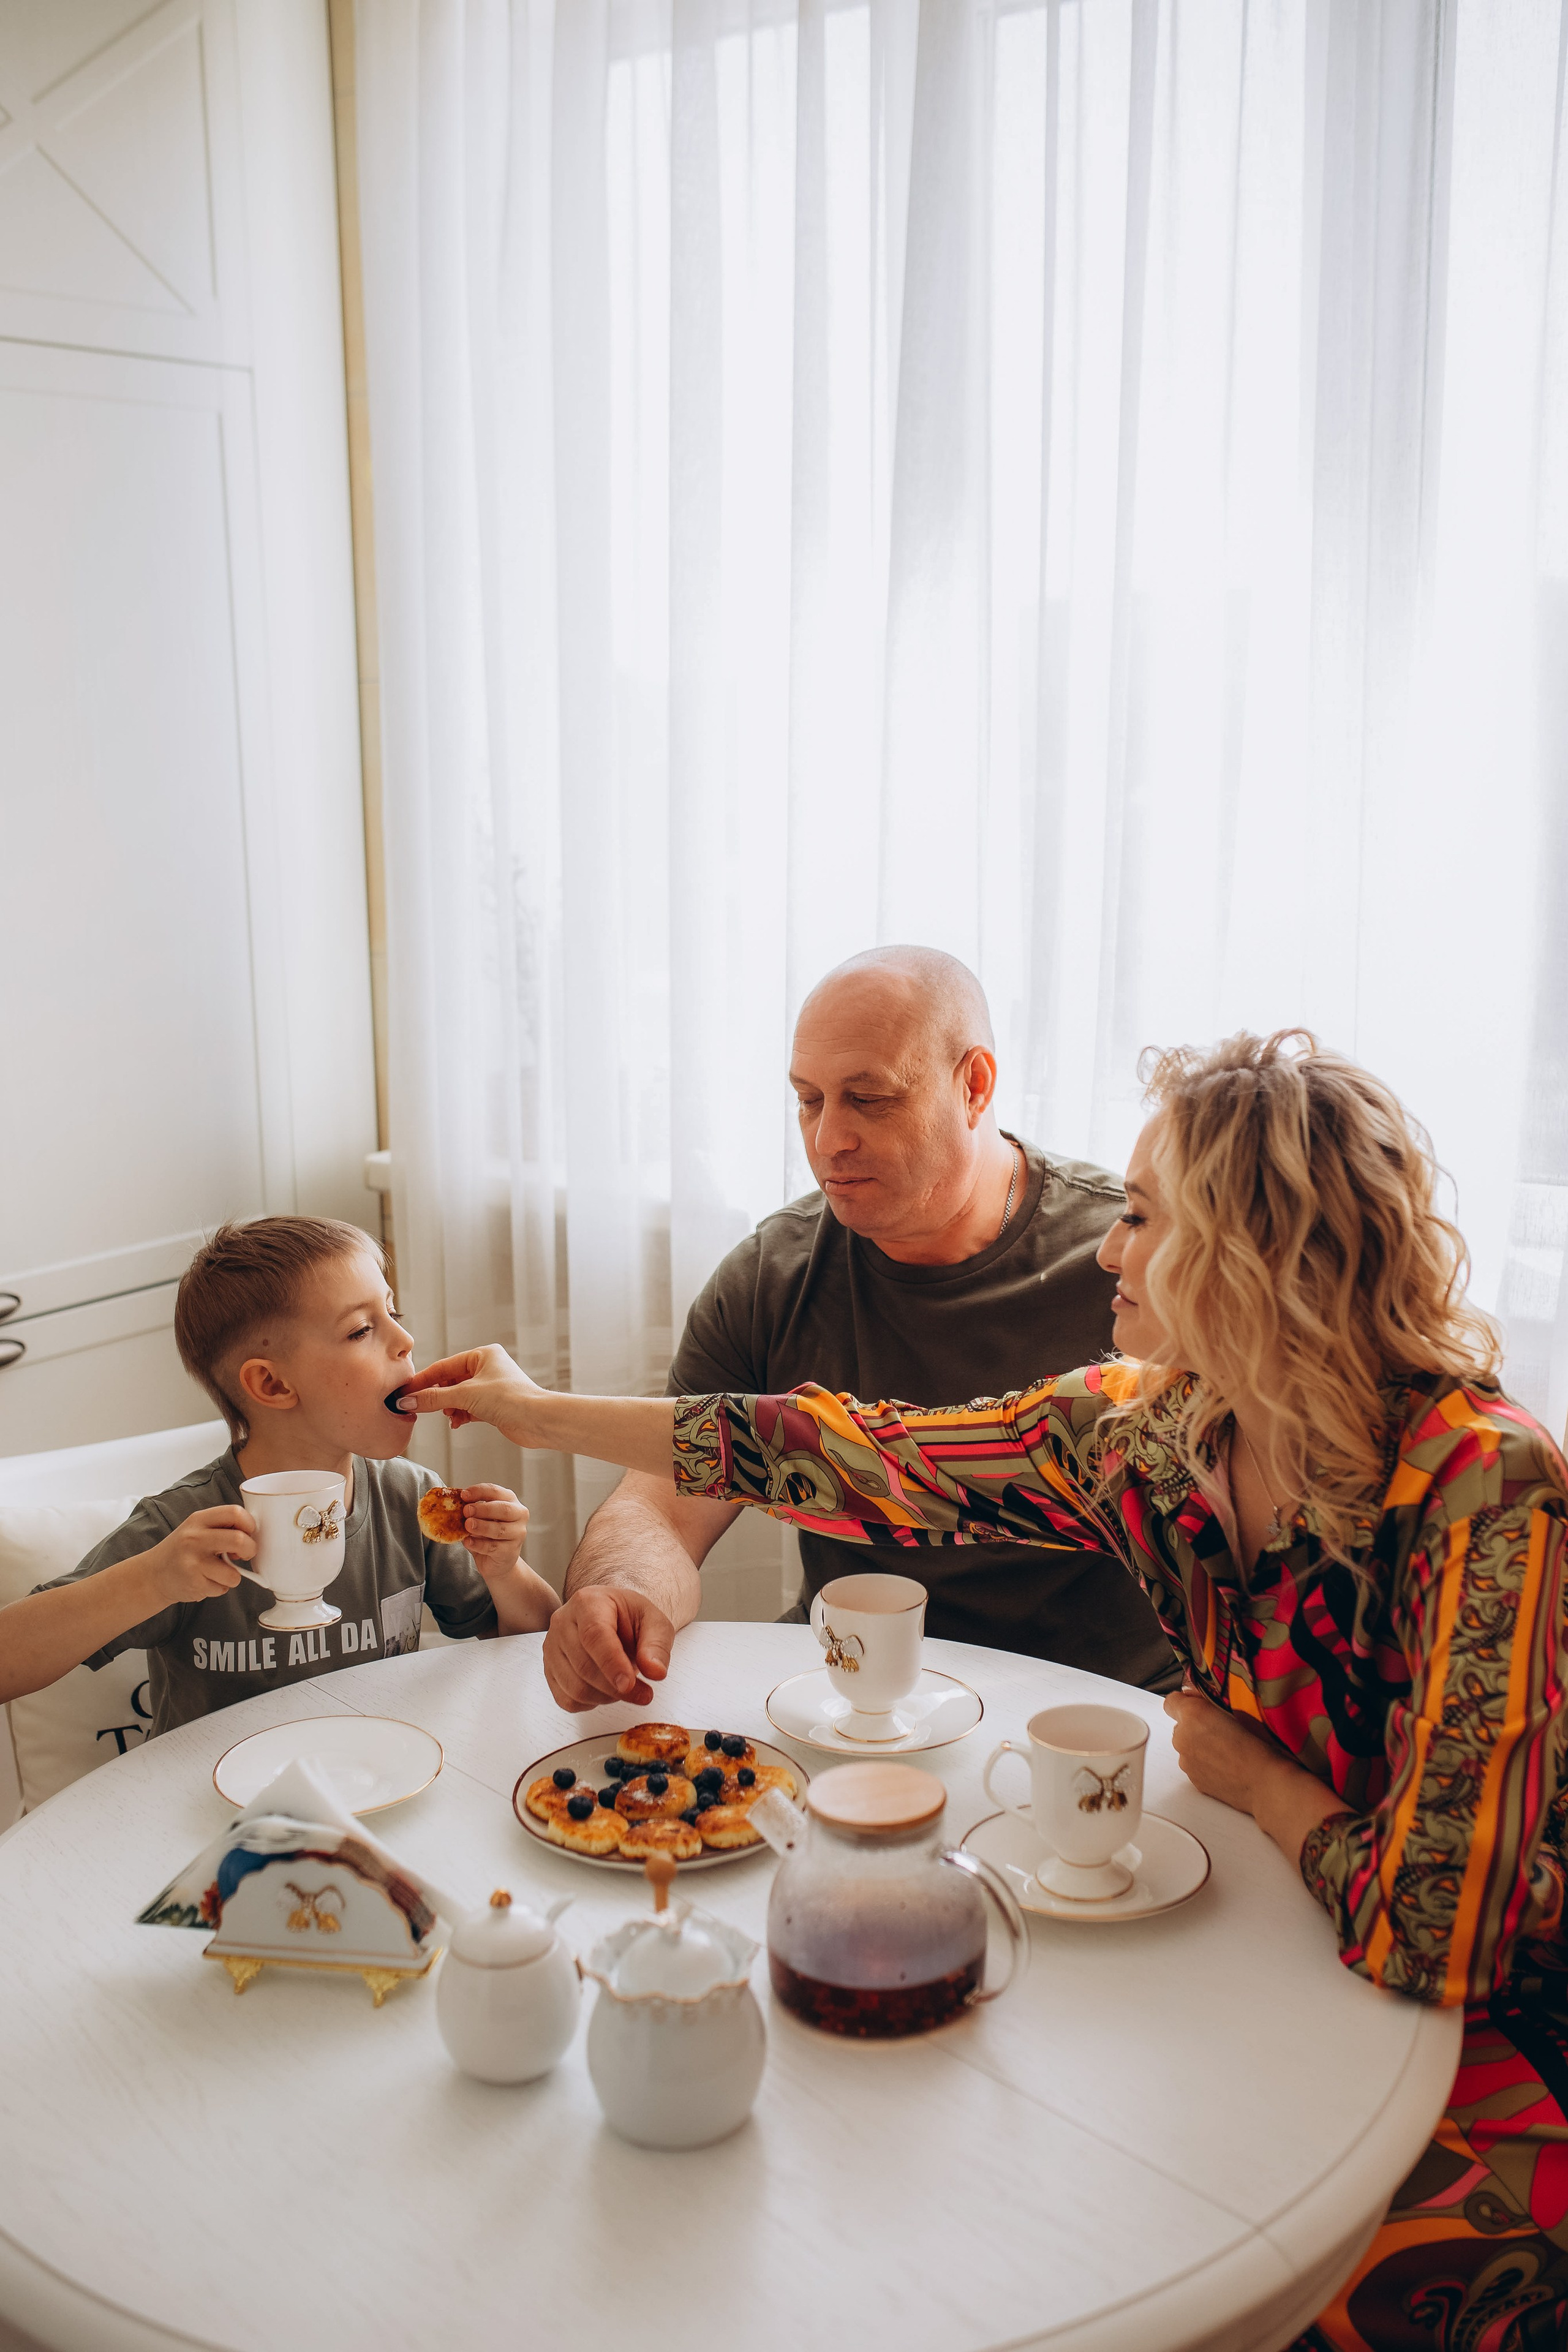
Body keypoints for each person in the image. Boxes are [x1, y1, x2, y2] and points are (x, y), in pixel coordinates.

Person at [396, 1032, 1568, 2352]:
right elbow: (846, 1451)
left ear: (1252, 1258)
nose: (1108, 1253)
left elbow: (1438, 1933)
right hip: (1276, 1941)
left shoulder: (1479, 1483)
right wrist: (536, 1413)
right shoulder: (1145, 1433)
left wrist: (1264, 1785)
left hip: (1495, 2029)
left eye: (1140, 1219)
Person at [541, 944, 1176, 1711]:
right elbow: (664, 1498)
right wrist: (620, 1591)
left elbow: (869, 1460)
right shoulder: (773, 1273)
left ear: (973, 1086)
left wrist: (531, 1412)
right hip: (853, 1697)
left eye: (868, 1099)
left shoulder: (1134, 1267)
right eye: (809, 1100)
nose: (826, 1140)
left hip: (1094, 1714)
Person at [0, 1217, 557, 1736]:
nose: (405, 1341)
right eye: (362, 1329)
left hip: (375, 1779)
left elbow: (536, 1644)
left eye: (394, 1314)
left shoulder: (408, 1498)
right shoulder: (180, 1529)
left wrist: (505, 1570)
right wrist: (153, 1579)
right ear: (271, 1385)